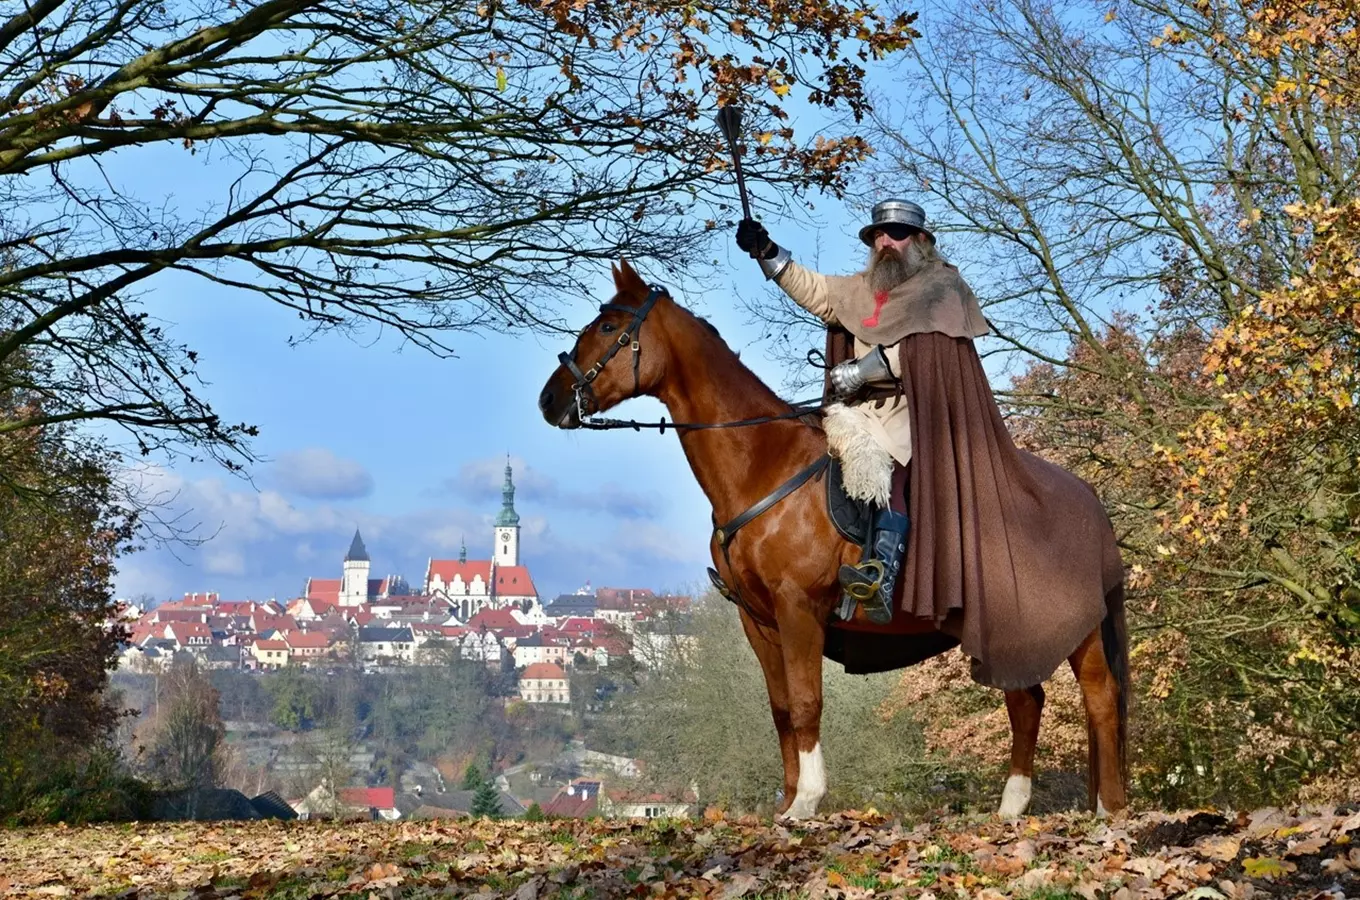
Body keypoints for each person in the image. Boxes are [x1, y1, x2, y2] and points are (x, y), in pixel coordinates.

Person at [735, 200, 990, 624]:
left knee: (889, 473)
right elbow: (816, 289)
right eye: (877, 235)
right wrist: (767, 251)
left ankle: (881, 578)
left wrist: (861, 370)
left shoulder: (943, 288)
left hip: (914, 408)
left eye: (895, 234)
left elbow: (927, 350)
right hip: (856, 408)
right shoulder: (861, 288)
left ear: (922, 241)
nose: (885, 242)